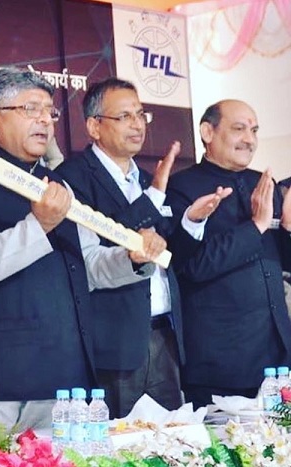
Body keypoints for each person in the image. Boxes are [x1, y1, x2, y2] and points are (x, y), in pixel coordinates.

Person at [0, 68, 169, 434]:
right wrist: (37, 228)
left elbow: (89, 266)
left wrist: (132, 259)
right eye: (30, 109)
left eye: (50, 112)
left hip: (63, 387)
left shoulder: (57, 185)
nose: (45, 120)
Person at [55, 77, 184, 418]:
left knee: (174, 439)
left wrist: (192, 222)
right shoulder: (72, 178)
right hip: (113, 341)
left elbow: (162, 250)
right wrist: (154, 195)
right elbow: (99, 251)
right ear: (94, 126)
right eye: (125, 116)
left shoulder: (143, 177)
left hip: (163, 336)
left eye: (141, 115)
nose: (137, 124)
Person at [166, 99, 291, 409]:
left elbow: (281, 263)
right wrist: (256, 225)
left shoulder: (262, 183)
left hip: (277, 354)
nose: (249, 139)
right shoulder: (181, 187)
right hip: (220, 362)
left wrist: (288, 229)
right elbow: (191, 266)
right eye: (238, 129)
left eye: (254, 130)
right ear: (208, 131)